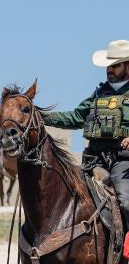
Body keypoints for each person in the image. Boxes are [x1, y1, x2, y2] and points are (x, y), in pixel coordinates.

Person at [44, 39, 129, 232]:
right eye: (109, 65)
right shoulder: (99, 94)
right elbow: (76, 117)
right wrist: (42, 117)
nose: (110, 69)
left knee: (126, 202)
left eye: (115, 65)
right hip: (93, 160)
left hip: (122, 162)